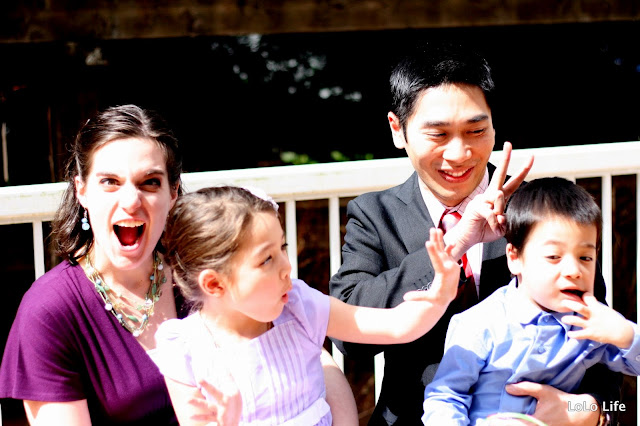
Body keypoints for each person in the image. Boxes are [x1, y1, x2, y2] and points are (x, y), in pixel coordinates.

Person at [0, 105, 355, 425]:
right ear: (81, 190)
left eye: (150, 183)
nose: (131, 201)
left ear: (173, 192)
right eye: (110, 182)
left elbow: (309, 352)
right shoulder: (49, 310)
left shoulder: (205, 272)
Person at [329, 44, 618, 425]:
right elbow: (349, 338)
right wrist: (452, 246)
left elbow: (607, 386)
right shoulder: (375, 214)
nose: (459, 153)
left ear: (494, 124)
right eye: (438, 134)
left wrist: (582, 412)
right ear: (398, 130)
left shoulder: (542, 215)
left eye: (476, 131)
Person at [152, 185, 461, 426]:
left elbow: (396, 325)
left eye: (283, 247)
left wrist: (440, 294)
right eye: (267, 259)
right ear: (215, 284)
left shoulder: (299, 306)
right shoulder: (184, 350)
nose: (287, 266)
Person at [422, 177, 640, 425]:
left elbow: (617, 403)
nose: (574, 270)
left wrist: (626, 335)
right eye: (554, 256)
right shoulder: (480, 324)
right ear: (515, 258)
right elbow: (445, 398)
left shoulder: (590, 325)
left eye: (585, 258)